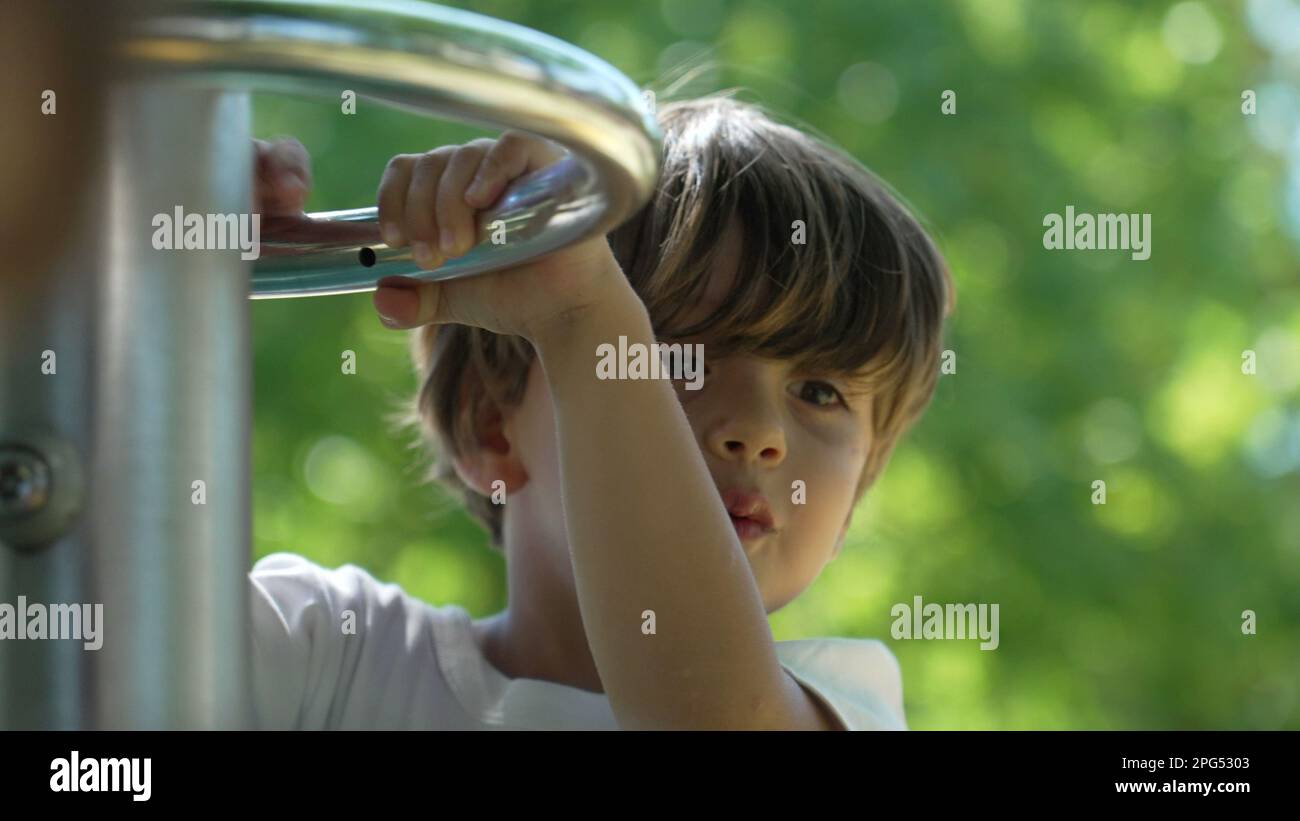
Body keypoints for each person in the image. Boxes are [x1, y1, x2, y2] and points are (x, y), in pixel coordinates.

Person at [248, 92, 954, 730]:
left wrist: (586, 313)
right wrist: (151, 271)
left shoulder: (847, 704)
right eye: (671, 359)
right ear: (493, 420)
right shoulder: (329, 653)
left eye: (821, 392)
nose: (759, 431)